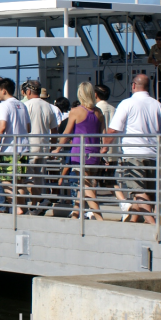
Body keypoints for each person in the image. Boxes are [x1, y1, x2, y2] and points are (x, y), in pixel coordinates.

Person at [102, 74, 161, 225]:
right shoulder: (159, 106)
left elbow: (113, 130)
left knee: (138, 190)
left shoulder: (127, 103)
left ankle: (152, 223)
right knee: (148, 191)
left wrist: (103, 148)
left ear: (133, 85)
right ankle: (133, 220)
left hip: (133, 153)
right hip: (153, 154)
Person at [56, 82, 106, 220]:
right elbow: (104, 134)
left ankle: (100, 219)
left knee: (85, 187)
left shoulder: (76, 111)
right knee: (84, 186)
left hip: (80, 154)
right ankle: (75, 214)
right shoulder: (98, 112)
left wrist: (57, 149)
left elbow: (67, 134)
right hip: (94, 154)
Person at [0, 78, 31, 214]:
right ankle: (21, 208)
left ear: (3, 90)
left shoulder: (3, 105)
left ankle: (17, 208)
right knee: (20, 181)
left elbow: (2, 127)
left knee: (6, 180)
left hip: (9, 149)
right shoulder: (22, 105)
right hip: (24, 148)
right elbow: (28, 127)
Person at [22, 80, 57, 214]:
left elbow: (24, 127)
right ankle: (35, 206)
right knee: (39, 178)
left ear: (29, 92)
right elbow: (54, 130)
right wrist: (54, 147)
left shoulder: (26, 105)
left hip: (30, 147)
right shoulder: (49, 107)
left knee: (28, 178)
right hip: (44, 146)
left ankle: (39, 201)